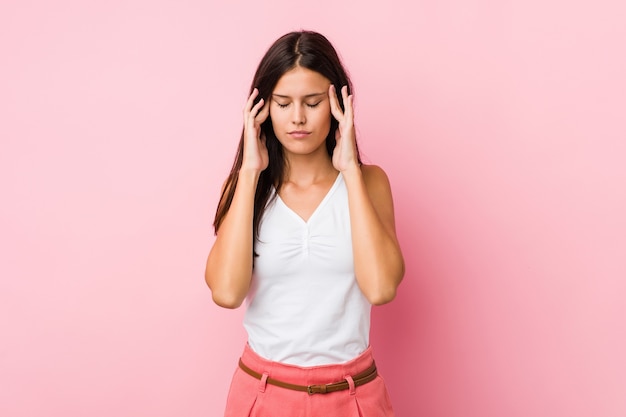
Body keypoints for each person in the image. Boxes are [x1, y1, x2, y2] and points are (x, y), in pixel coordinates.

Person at [205, 30, 405, 417]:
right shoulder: (245, 186)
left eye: (312, 103)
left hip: (353, 397)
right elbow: (227, 294)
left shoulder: (370, 183)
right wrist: (249, 173)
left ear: (338, 104)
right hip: (264, 394)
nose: (297, 117)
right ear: (262, 109)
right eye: (283, 103)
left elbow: (381, 288)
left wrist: (349, 169)